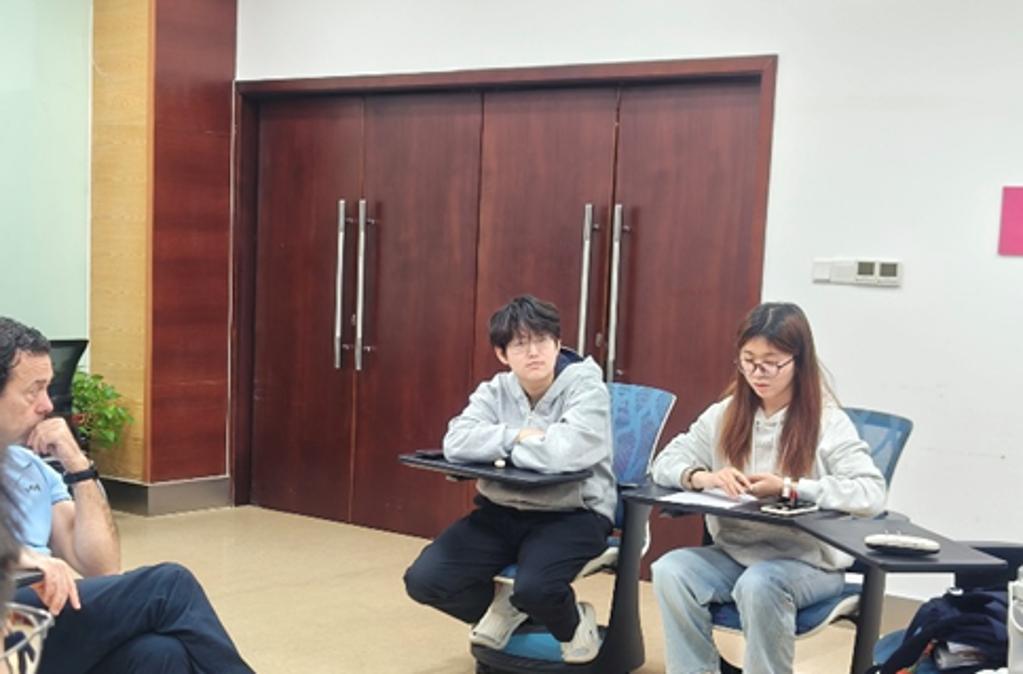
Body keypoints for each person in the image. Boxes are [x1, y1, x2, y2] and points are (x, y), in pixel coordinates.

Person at [0, 316, 254, 674]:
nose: (47, 405)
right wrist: (21, 558)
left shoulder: (32, 469)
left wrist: (77, 466)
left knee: (160, 654)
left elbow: (101, 566)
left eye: (48, 389)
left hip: (41, 621)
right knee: (168, 586)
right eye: (33, 391)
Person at [649, 302, 886, 674]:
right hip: (736, 554)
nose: (757, 373)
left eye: (771, 363)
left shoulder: (827, 422)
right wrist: (703, 477)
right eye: (748, 361)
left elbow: (870, 492)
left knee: (760, 583)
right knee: (671, 570)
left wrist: (791, 487)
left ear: (798, 362)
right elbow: (664, 462)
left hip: (809, 563)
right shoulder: (725, 414)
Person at [403, 295, 615, 663]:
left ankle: (571, 622)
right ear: (502, 354)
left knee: (536, 588)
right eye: (520, 344)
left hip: (574, 513)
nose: (533, 352)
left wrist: (497, 449)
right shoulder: (494, 390)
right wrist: (518, 436)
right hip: (500, 511)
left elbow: (564, 452)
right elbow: (456, 443)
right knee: (424, 580)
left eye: (542, 341)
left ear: (557, 344)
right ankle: (508, 608)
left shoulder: (587, 389)